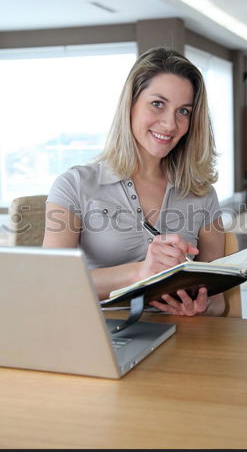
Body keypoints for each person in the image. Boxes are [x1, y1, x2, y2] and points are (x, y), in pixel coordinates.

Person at [43, 46, 225, 316]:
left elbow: (219, 302)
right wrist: (140, 272)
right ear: (131, 104)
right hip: (99, 339)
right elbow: (50, 283)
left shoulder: (202, 193)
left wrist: (203, 305)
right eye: (158, 104)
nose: (170, 124)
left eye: (183, 111)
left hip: (182, 338)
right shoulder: (75, 185)